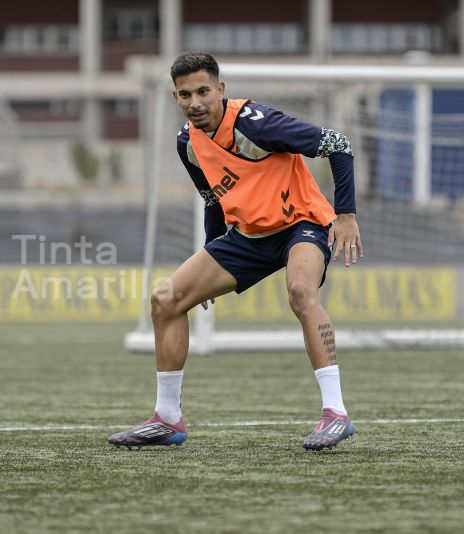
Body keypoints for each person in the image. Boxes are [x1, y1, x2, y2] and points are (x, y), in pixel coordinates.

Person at [108, 52, 363, 451]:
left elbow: (339, 145)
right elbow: (212, 200)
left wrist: (345, 215)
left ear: (220, 90)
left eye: (203, 91)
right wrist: (211, 256)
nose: (195, 102)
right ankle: (167, 419)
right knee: (166, 299)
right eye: (185, 94)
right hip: (249, 236)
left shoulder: (254, 122)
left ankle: (336, 413)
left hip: (301, 223)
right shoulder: (187, 143)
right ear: (175, 98)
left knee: (301, 291)